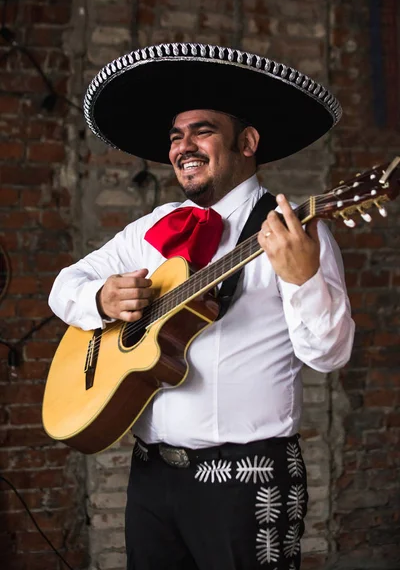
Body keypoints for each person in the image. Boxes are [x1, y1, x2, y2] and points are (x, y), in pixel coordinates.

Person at [49, 42, 355, 570]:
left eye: (203, 130)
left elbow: (329, 357)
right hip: (151, 478)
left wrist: (303, 278)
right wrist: (99, 299)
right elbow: (63, 286)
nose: (183, 146)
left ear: (248, 141)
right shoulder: (152, 228)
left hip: (248, 478)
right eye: (175, 136)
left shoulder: (294, 231)